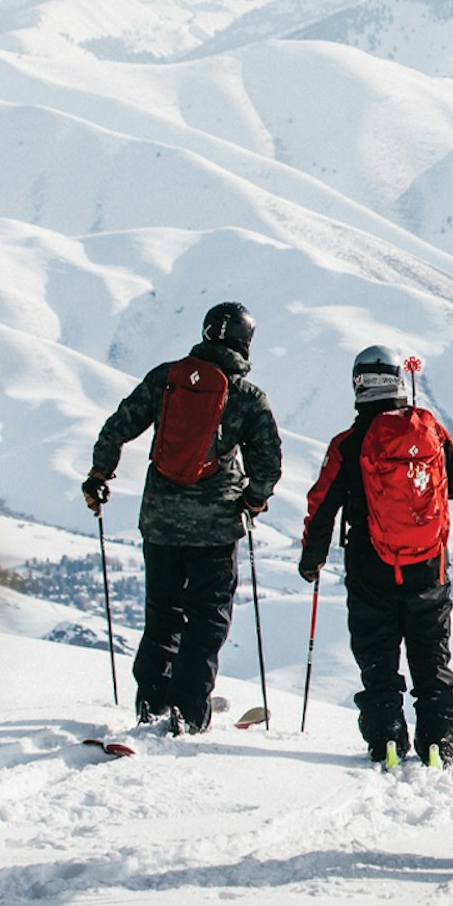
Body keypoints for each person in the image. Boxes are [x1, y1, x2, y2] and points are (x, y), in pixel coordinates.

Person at [82, 301, 283, 734]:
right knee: (207, 620)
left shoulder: (165, 380)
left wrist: (99, 475)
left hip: (159, 522)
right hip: (216, 527)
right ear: (245, 343)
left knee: (162, 614)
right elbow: (268, 464)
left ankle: (151, 701)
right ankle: (189, 712)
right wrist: (252, 500)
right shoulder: (246, 397)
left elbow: (117, 427)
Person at [298, 346, 453, 767]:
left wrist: (312, 559)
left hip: (370, 568)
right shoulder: (429, 429)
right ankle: (438, 744)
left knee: (378, 661)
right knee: (432, 661)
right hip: (428, 569)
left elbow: (322, 505)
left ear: (358, 383)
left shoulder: (348, 444)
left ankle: (387, 741)